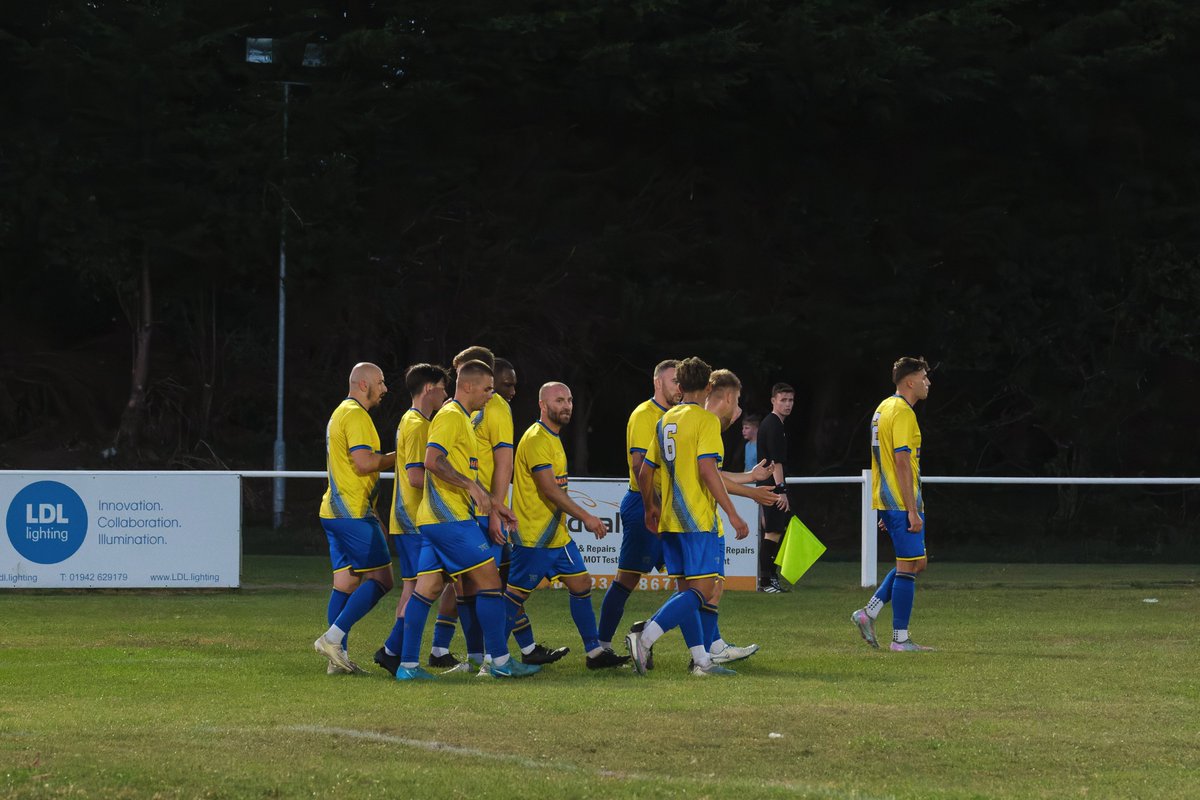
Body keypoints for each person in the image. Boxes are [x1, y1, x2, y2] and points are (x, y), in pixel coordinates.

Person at [395, 359, 537, 679]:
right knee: (489, 582)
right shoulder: (450, 416)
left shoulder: (463, 419)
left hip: (436, 519)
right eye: (487, 389)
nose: (491, 395)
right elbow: (432, 461)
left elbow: (457, 468)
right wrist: (471, 485)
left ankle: (407, 666)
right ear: (468, 386)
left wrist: (493, 504)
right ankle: (499, 662)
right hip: (449, 519)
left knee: (427, 589)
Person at [626, 357, 750, 677]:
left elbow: (643, 469)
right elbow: (707, 470)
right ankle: (645, 636)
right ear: (708, 386)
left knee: (687, 592)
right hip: (696, 519)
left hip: (669, 519)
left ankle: (701, 662)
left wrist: (650, 507)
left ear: (679, 387)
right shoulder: (705, 421)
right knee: (703, 592)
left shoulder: (665, 420)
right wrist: (733, 514)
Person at [504, 382, 630, 670]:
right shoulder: (536, 438)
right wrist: (586, 516)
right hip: (534, 536)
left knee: (581, 582)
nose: (567, 406)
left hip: (556, 537)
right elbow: (549, 489)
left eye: (570, 400)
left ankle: (595, 654)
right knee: (514, 598)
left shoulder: (553, 437)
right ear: (542, 404)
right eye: (559, 400)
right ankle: (494, 657)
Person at [454, 346, 564, 667]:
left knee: (493, 584)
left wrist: (495, 510)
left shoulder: (497, 408)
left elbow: (504, 464)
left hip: (483, 511)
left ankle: (495, 656)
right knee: (468, 585)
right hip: (463, 509)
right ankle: (483, 656)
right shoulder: (462, 409)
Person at [374, 363, 463, 676]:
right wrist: (457, 483)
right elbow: (415, 477)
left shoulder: (413, 421)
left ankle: (392, 651)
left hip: (413, 520)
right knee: (422, 589)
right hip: (413, 520)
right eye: (442, 388)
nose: (446, 395)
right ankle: (396, 654)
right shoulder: (416, 425)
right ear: (429, 388)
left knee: (421, 588)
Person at [313, 362, 396, 674]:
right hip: (351, 513)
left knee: (345, 584)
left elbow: (354, 470)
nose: (385, 388)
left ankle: (338, 661)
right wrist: (400, 454)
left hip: (335, 512)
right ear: (364, 384)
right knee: (383, 580)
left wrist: (376, 513)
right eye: (381, 381)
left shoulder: (341, 412)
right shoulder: (357, 415)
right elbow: (364, 464)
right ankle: (332, 639)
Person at [851, 357, 935, 652]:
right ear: (909, 381)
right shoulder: (902, 412)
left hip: (891, 499)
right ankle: (900, 639)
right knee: (909, 565)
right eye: (924, 377)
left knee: (915, 562)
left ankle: (869, 612)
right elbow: (901, 461)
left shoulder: (883, 408)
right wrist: (910, 510)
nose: (928, 382)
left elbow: (881, 457)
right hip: (901, 499)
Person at [595, 359, 681, 651]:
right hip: (646, 505)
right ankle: (603, 647)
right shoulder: (645, 414)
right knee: (627, 580)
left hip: (670, 506)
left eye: (682, 382)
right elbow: (638, 465)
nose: (679, 388)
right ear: (658, 382)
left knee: (694, 582)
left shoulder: (679, 416)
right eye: (674, 381)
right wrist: (652, 507)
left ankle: (649, 634)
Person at [756, 382, 794, 593]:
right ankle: (766, 581)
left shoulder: (772, 424)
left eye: (790, 400)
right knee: (773, 532)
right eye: (783, 400)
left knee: (773, 532)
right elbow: (776, 462)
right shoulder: (774, 425)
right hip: (771, 486)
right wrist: (781, 491)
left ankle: (771, 578)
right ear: (773, 401)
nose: (788, 404)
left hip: (767, 485)